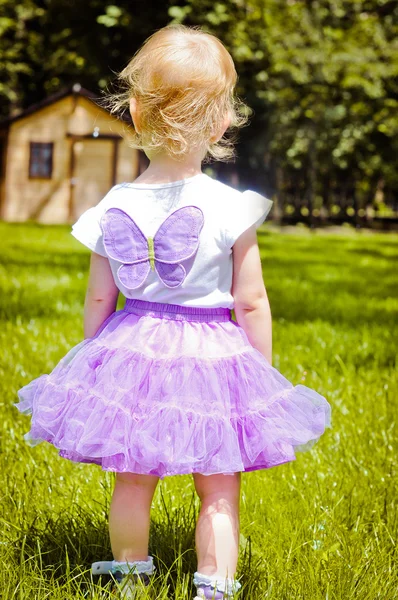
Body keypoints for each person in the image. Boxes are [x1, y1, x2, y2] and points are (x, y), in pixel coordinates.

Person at [15, 24, 332, 600]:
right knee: (217, 486)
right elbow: (252, 299)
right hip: (214, 358)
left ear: (134, 113)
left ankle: (130, 577)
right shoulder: (230, 208)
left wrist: (94, 357)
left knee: (134, 476)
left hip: (133, 348)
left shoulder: (115, 204)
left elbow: (98, 298)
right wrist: (259, 373)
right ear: (221, 122)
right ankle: (214, 584)